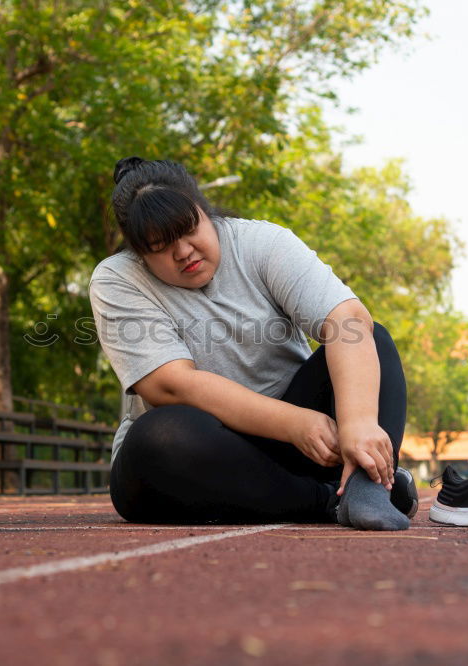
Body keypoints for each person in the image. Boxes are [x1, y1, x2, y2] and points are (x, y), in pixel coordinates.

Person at [88, 157, 417, 530]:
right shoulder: (117, 279)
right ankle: (329, 500)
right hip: (208, 456)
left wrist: (357, 423)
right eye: (160, 246)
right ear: (139, 255)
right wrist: (295, 424)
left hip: (307, 447)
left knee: (373, 337)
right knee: (158, 436)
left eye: (189, 230)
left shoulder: (262, 242)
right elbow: (171, 385)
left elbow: (346, 320)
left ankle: (367, 487)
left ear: (205, 212)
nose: (183, 252)